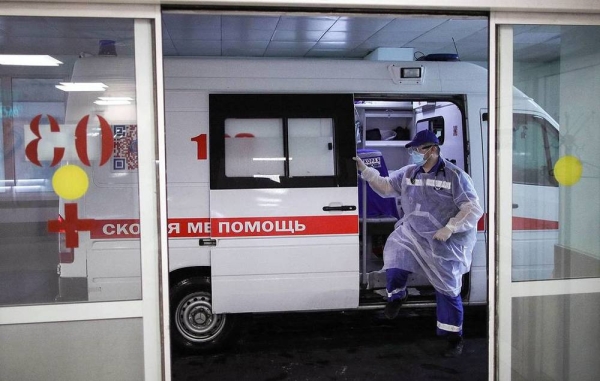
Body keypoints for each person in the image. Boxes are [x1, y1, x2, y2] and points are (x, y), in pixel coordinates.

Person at [354, 129, 483, 357]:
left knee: (447, 289)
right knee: (394, 258)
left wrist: (450, 227)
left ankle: (454, 336)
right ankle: (397, 295)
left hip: (442, 241)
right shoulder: (408, 172)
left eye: (418, 148)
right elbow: (385, 187)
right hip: (412, 233)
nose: (414, 152)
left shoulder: (455, 176)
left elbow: (472, 208)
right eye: (413, 149)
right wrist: (365, 171)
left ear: (432, 149)